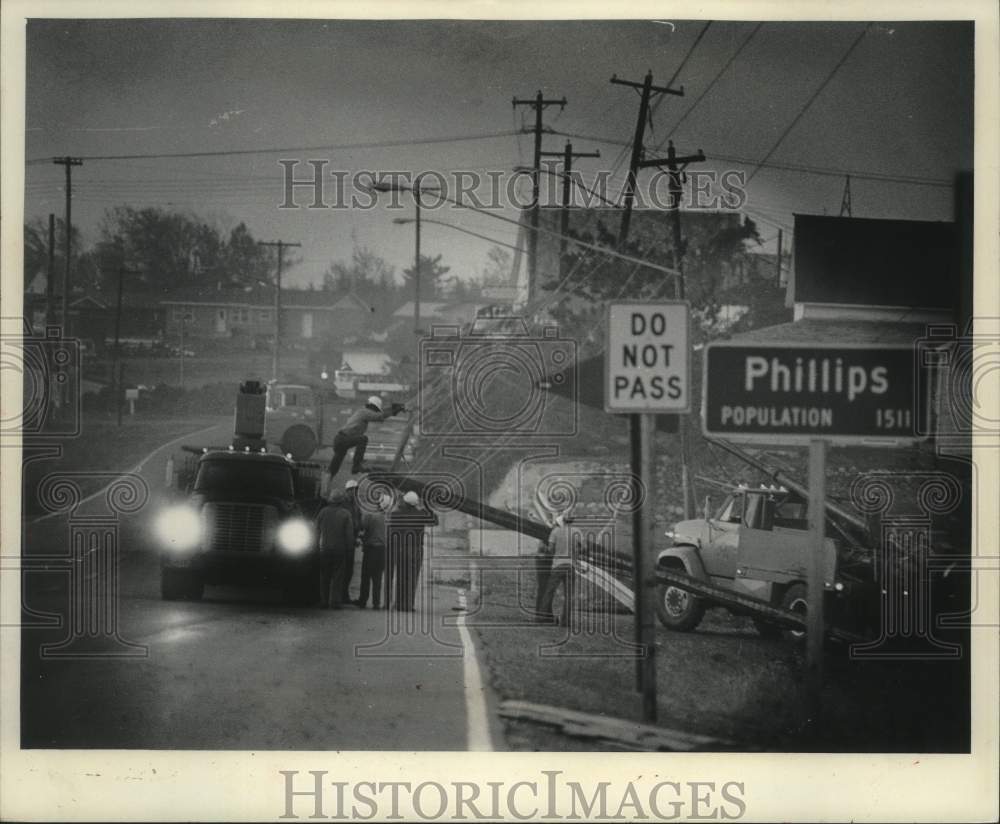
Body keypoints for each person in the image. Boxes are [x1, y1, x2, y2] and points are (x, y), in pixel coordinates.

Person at [326, 395, 405, 479]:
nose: (376, 411)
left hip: (340, 439)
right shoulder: (364, 412)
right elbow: (379, 416)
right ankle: (356, 465)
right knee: (363, 439)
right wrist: (393, 410)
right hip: (342, 439)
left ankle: (328, 476)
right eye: (376, 409)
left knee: (336, 463)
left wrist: (392, 409)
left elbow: (380, 414)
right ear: (372, 407)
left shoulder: (362, 411)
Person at [387, 490, 439, 612]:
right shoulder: (421, 514)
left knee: (401, 576)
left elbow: (391, 532)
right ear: (415, 503)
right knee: (412, 578)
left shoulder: (396, 514)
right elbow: (435, 521)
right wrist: (427, 507)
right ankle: (408, 605)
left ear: (404, 502)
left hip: (401, 548)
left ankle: (399, 604)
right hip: (416, 549)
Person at [315, 489, 355, 609]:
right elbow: (349, 535)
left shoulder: (322, 512)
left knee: (324, 575)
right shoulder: (346, 514)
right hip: (340, 549)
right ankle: (335, 602)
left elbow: (316, 530)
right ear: (341, 501)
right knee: (338, 576)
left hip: (324, 548)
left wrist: (316, 546)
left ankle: (324, 601)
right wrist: (350, 549)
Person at [354, 493, 391, 609]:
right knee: (377, 577)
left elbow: (363, 527)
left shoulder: (371, 515)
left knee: (366, 576)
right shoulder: (389, 517)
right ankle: (376, 603)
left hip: (371, 549)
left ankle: (363, 601)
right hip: (383, 550)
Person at [341, 478, 362, 605]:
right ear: (348, 491)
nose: (354, 493)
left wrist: (359, 533)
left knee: (349, 569)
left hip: (351, 541)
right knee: (342, 569)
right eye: (352, 491)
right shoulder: (343, 504)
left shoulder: (355, 505)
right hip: (343, 541)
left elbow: (358, 521)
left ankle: (344, 595)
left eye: (356, 491)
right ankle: (340, 596)